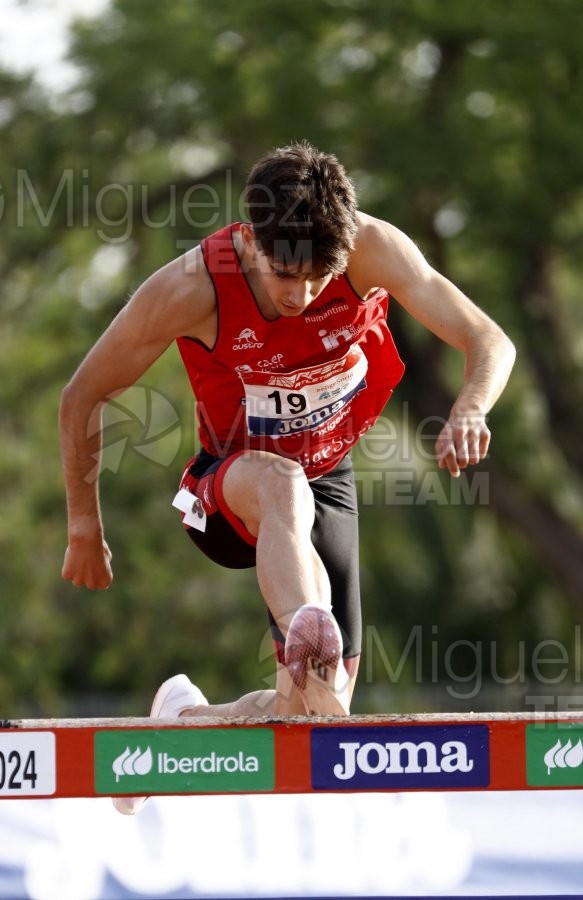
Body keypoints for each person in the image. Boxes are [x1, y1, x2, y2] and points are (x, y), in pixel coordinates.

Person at [59, 142, 515, 813]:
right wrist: (82, 525)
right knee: (281, 484)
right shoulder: (190, 289)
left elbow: (487, 338)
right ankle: (307, 617)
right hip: (228, 488)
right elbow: (81, 396)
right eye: (283, 278)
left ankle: (180, 725)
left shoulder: (372, 250)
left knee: (308, 724)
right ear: (249, 240)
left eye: (318, 278)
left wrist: (470, 406)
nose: (301, 296)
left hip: (326, 471)